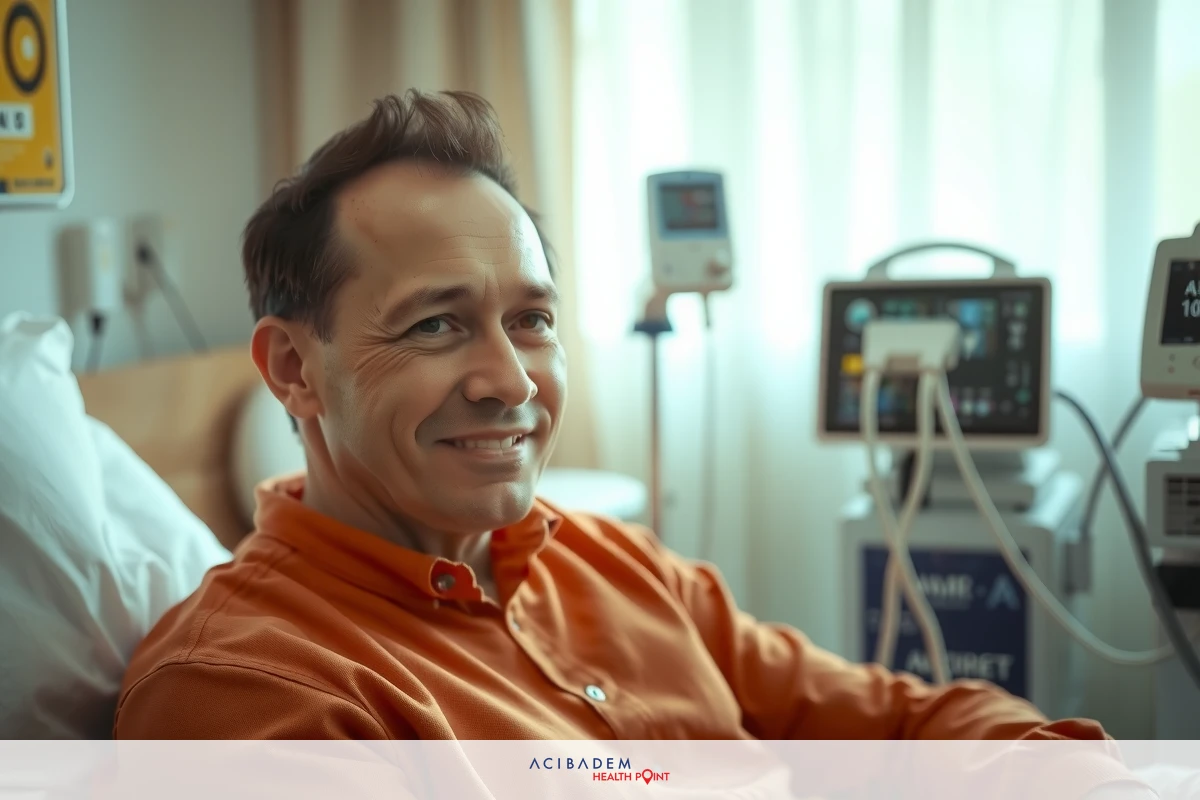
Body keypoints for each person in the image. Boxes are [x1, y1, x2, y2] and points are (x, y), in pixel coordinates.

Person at [112, 89, 1151, 797]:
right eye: (436, 322)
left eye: (531, 319)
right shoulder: (249, 696)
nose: (511, 380)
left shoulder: (611, 563)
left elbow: (885, 717)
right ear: (293, 369)